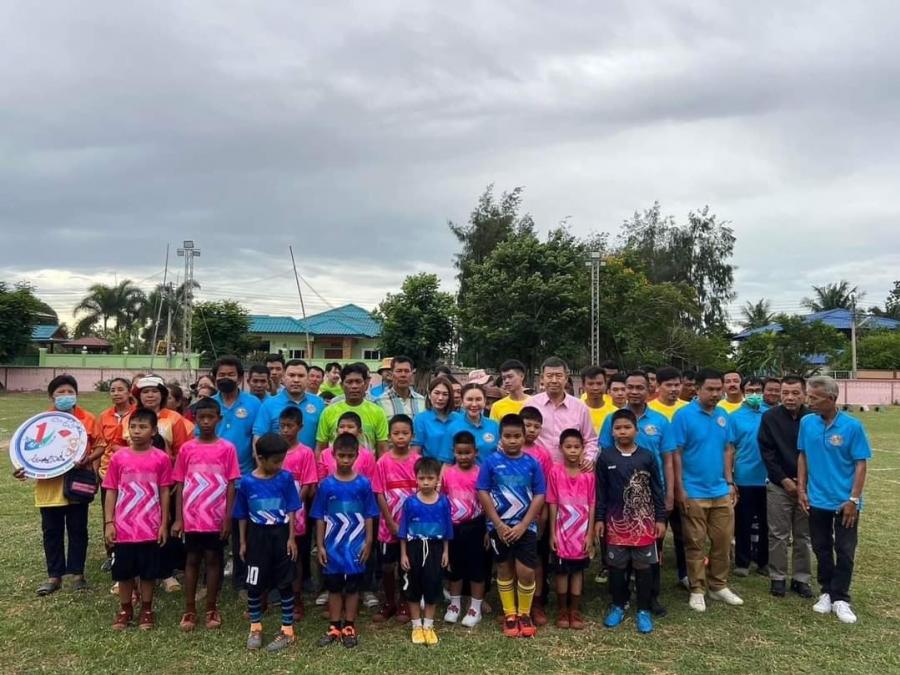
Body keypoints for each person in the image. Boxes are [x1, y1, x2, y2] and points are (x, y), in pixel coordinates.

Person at [663, 368, 743, 612]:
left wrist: (729, 482)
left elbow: (727, 449)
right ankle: (697, 588)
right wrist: (680, 488)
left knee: (722, 541)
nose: (715, 394)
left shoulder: (723, 415)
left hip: (720, 490)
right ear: (697, 389)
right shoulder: (683, 416)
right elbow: (676, 453)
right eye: (710, 389)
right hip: (693, 491)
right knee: (695, 543)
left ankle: (718, 585)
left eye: (718, 389)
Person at [13, 375, 100, 595]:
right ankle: (54, 576)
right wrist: (23, 468)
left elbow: (100, 445)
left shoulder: (87, 419)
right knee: (51, 531)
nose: (65, 396)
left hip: (77, 483)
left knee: (78, 529)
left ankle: (78, 574)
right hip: (48, 487)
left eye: (70, 392)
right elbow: (29, 452)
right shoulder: (42, 422)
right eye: (60, 392)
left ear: (76, 394)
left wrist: (88, 460)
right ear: (51, 396)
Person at [798, 375, 871, 625]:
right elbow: (803, 456)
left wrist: (853, 499)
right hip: (816, 499)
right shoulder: (807, 422)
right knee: (821, 547)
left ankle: (841, 597)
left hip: (844, 502)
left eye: (814, 398)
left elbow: (860, 464)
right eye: (809, 396)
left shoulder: (852, 426)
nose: (809, 402)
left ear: (831, 398)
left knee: (845, 550)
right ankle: (827, 591)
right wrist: (802, 489)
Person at [598, 371, 671, 615]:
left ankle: (649, 599)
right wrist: (600, 516)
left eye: (640, 387)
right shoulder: (611, 419)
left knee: (649, 556)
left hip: (648, 504)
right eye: (630, 387)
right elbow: (603, 463)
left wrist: (668, 498)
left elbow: (668, 459)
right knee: (618, 559)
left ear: (649, 389)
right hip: (617, 505)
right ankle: (620, 600)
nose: (635, 391)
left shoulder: (660, 421)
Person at [171, 398, 240, 631]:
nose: (207, 422)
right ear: (195, 419)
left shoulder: (227, 448)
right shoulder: (187, 448)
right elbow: (180, 483)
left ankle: (211, 607)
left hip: (216, 518)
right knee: (192, 560)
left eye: (211, 417)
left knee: (213, 559)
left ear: (219, 419)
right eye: (202, 417)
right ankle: (190, 609)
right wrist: (179, 518)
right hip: (191, 518)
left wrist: (228, 518)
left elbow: (231, 484)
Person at [119, 375, 192, 592]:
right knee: (133, 524)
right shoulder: (129, 418)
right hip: (134, 485)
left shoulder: (175, 419)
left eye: (154, 391)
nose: (150, 395)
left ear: (162, 394)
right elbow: (117, 445)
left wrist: (174, 476)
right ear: (138, 395)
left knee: (165, 524)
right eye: (145, 392)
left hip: (166, 482)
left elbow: (182, 451)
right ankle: (131, 574)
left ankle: (166, 572)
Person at [103, 408, 173, 630]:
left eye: (143, 427)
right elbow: (111, 490)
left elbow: (164, 491)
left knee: (148, 572)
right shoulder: (118, 457)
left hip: (150, 527)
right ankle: (125, 609)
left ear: (154, 431)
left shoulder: (161, 458)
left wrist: (163, 523)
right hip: (123, 528)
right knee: (123, 572)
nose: (136, 431)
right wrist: (109, 522)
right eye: (133, 426)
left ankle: (146, 609)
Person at [478, 414, 546, 638]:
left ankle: (524, 614)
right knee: (504, 568)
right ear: (501, 437)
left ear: (524, 437)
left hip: (525, 528)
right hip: (500, 528)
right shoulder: (490, 462)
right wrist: (498, 525)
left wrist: (524, 525)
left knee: (526, 571)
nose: (512, 440)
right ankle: (510, 614)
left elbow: (539, 494)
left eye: (517, 436)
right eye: (507, 436)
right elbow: (482, 492)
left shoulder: (532, 463)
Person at [234, 433, 301, 652]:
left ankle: (287, 630)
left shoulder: (285, 478)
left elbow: (292, 508)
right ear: (260, 458)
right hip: (257, 536)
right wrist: (243, 542)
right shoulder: (247, 482)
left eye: (282, 460)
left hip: (281, 534)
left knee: (285, 582)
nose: (279, 465)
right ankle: (255, 627)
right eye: (275, 461)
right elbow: (242, 514)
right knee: (254, 584)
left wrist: (291, 538)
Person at [311, 433, 379, 649]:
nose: (346, 460)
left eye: (350, 456)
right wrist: (320, 545)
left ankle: (349, 625)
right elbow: (319, 517)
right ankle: (334, 626)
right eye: (342, 455)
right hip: (332, 547)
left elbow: (369, 514)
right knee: (333, 587)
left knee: (352, 587)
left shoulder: (363, 484)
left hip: (356, 546)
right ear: (333, 455)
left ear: (357, 456)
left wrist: (369, 542)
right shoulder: (326, 485)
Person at [758, 375, 813, 598]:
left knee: (803, 535)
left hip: (807, 487)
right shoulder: (770, 417)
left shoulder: (813, 418)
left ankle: (801, 579)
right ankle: (778, 577)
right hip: (779, 485)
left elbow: (815, 452)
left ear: (805, 394)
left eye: (795, 393)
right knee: (778, 534)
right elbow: (767, 452)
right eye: (785, 393)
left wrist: (803, 482)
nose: (790, 397)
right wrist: (784, 480)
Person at [371, 414, 420, 624]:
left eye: (405, 433)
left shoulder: (417, 461)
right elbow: (379, 493)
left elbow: (422, 492)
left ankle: (405, 602)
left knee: (407, 564)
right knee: (387, 566)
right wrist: (390, 522)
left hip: (412, 526)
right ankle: (389, 601)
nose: (400, 437)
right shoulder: (382, 462)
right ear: (389, 436)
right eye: (396, 433)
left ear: (412, 435)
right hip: (388, 526)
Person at [399, 457, 453, 646]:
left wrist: (446, 552)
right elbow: (403, 530)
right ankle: (416, 626)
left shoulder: (443, 502)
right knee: (413, 587)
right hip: (414, 548)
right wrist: (403, 554)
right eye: (422, 478)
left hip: (435, 548)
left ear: (438, 479)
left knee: (433, 585)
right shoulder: (410, 502)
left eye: (430, 478)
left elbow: (447, 529)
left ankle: (428, 626)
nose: (426, 482)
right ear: (416, 478)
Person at [547, 429, 595, 630]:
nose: (573, 451)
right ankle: (562, 610)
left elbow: (592, 504)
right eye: (568, 447)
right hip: (562, 531)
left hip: (581, 532)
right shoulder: (555, 472)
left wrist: (590, 534)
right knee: (561, 572)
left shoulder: (589, 475)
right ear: (561, 448)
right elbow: (552, 502)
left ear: (583, 448)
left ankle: (574, 610)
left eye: (577, 447)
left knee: (577, 571)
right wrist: (552, 533)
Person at [442, 431, 487, 628]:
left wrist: (488, 529)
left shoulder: (481, 473)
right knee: (455, 567)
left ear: (475, 452)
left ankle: (475, 608)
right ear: (453, 452)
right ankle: (455, 604)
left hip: (476, 526)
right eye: (459, 453)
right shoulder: (447, 473)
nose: (463, 457)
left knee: (477, 567)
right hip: (454, 527)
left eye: (467, 452)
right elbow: (443, 500)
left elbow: (488, 502)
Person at [727, 377, 768, 577]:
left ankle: (764, 561)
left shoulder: (770, 414)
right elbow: (729, 449)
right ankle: (742, 562)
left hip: (768, 478)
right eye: (750, 390)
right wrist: (730, 478)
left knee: (767, 523)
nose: (754, 394)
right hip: (744, 477)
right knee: (743, 522)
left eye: (758, 390)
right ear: (743, 392)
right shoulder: (734, 417)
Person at [280, 406, 318, 620]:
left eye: (290, 426)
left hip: (298, 513)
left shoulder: (305, 453)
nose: (286, 430)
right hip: (274, 512)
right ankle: (273, 592)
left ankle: (296, 598)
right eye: (282, 426)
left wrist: (294, 505)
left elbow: (308, 483)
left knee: (296, 556)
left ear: (300, 427)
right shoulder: (275, 450)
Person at [530, 357, 598, 468]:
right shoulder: (531, 404)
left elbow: (591, 439)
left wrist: (588, 458)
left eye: (559, 376)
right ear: (542, 378)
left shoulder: (580, 407)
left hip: (569, 471)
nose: (554, 380)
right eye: (549, 376)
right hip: (537, 469)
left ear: (566, 378)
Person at [96, 377, 135, 572]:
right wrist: (95, 470)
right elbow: (99, 444)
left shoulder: (137, 414)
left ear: (129, 392)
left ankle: (131, 550)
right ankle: (111, 554)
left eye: (121, 389)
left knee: (131, 513)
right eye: (113, 390)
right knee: (109, 513)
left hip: (132, 474)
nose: (116, 393)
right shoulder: (104, 416)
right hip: (107, 473)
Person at [520, 405, 554, 625]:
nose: (532, 430)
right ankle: (516, 604)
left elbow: (547, 488)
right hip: (511, 517)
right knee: (515, 561)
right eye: (527, 425)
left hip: (536, 516)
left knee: (538, 560)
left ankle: (537, 603)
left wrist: (543, 517)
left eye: (536, 426)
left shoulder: (543, 455)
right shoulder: (505, 451)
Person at [316, 362, 389, 456]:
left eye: (358, 381)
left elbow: (382, 450)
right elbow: (320, 448)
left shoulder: (378, 412)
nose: (354, 386)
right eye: (349, 382)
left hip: (367, 465)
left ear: (365, 384)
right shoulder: (328, 412)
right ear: (342, 385)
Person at [253, 359, 325, 451]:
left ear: (307, 378)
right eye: (291, 375)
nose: (296, 380)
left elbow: (322, 441)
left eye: (301, 376)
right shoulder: (269, 404)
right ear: (283, 377)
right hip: (278, 460)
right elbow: (258, 439)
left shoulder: (318, 403)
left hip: (309, 460)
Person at [442, 383, 500, 465]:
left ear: (484, 401)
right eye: (469, 399)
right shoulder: (453, 428)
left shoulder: (494, 426)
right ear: (462, 401)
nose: (474, 404)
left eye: (478, 399)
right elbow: (447, 463)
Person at [317, 411, 377, 481]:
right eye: (341, 427)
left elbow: (371, 482)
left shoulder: (367, 456)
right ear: (336, 430)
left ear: (360, 431)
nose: (345, 430)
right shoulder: (325, 454)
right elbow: (321, 482)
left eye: (350, 427)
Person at [411, 376, 459, 464]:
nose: (440, 398)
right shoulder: (420, 419)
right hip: (430, 469)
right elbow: (416, 452)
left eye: (445, 394)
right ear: (429, 395)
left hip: (455, 469)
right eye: (436, 393)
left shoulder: (458, 418)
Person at [580, 366, 614, 434]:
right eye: (590, 384)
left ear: (606, 385)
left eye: (599, 384)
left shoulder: (614, 413)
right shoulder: (576, 410)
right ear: (583, 386)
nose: (595, 388)